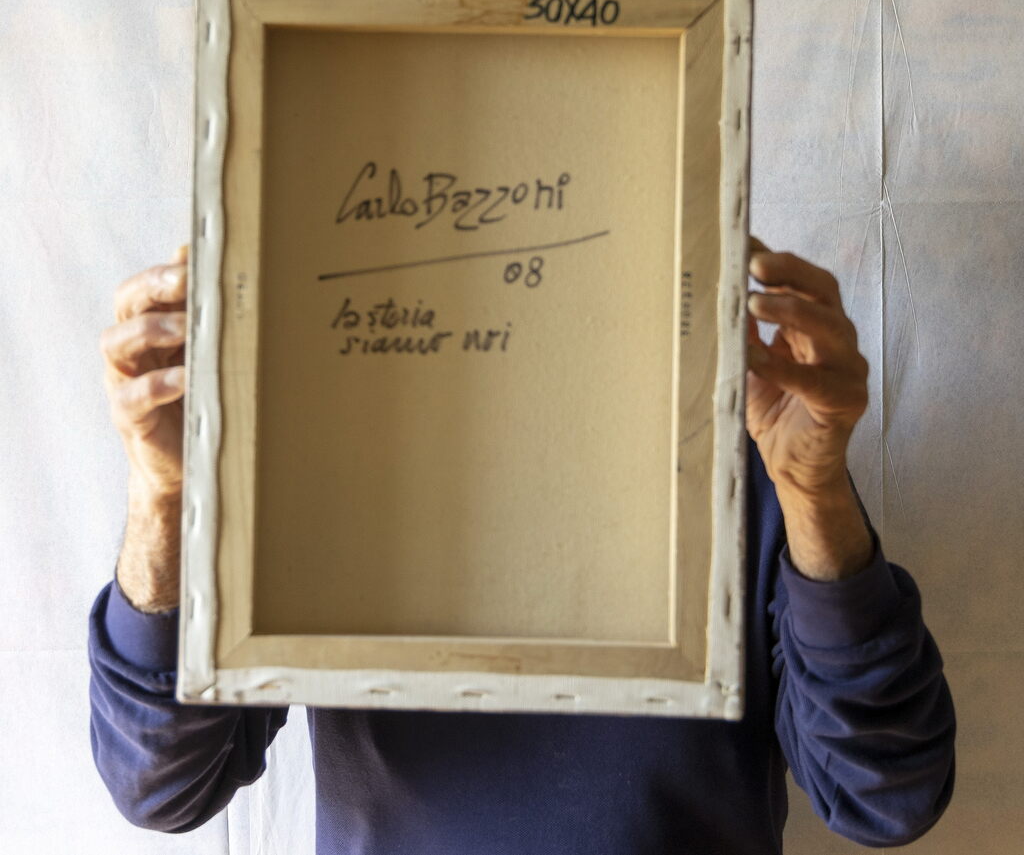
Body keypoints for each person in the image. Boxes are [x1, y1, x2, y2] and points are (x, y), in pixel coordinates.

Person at [88, 238, 955, 853]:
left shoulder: (747, 449)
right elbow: (161, 782)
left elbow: (887, 794)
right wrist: (164, 497)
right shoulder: (333, 458)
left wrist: (812, 489)